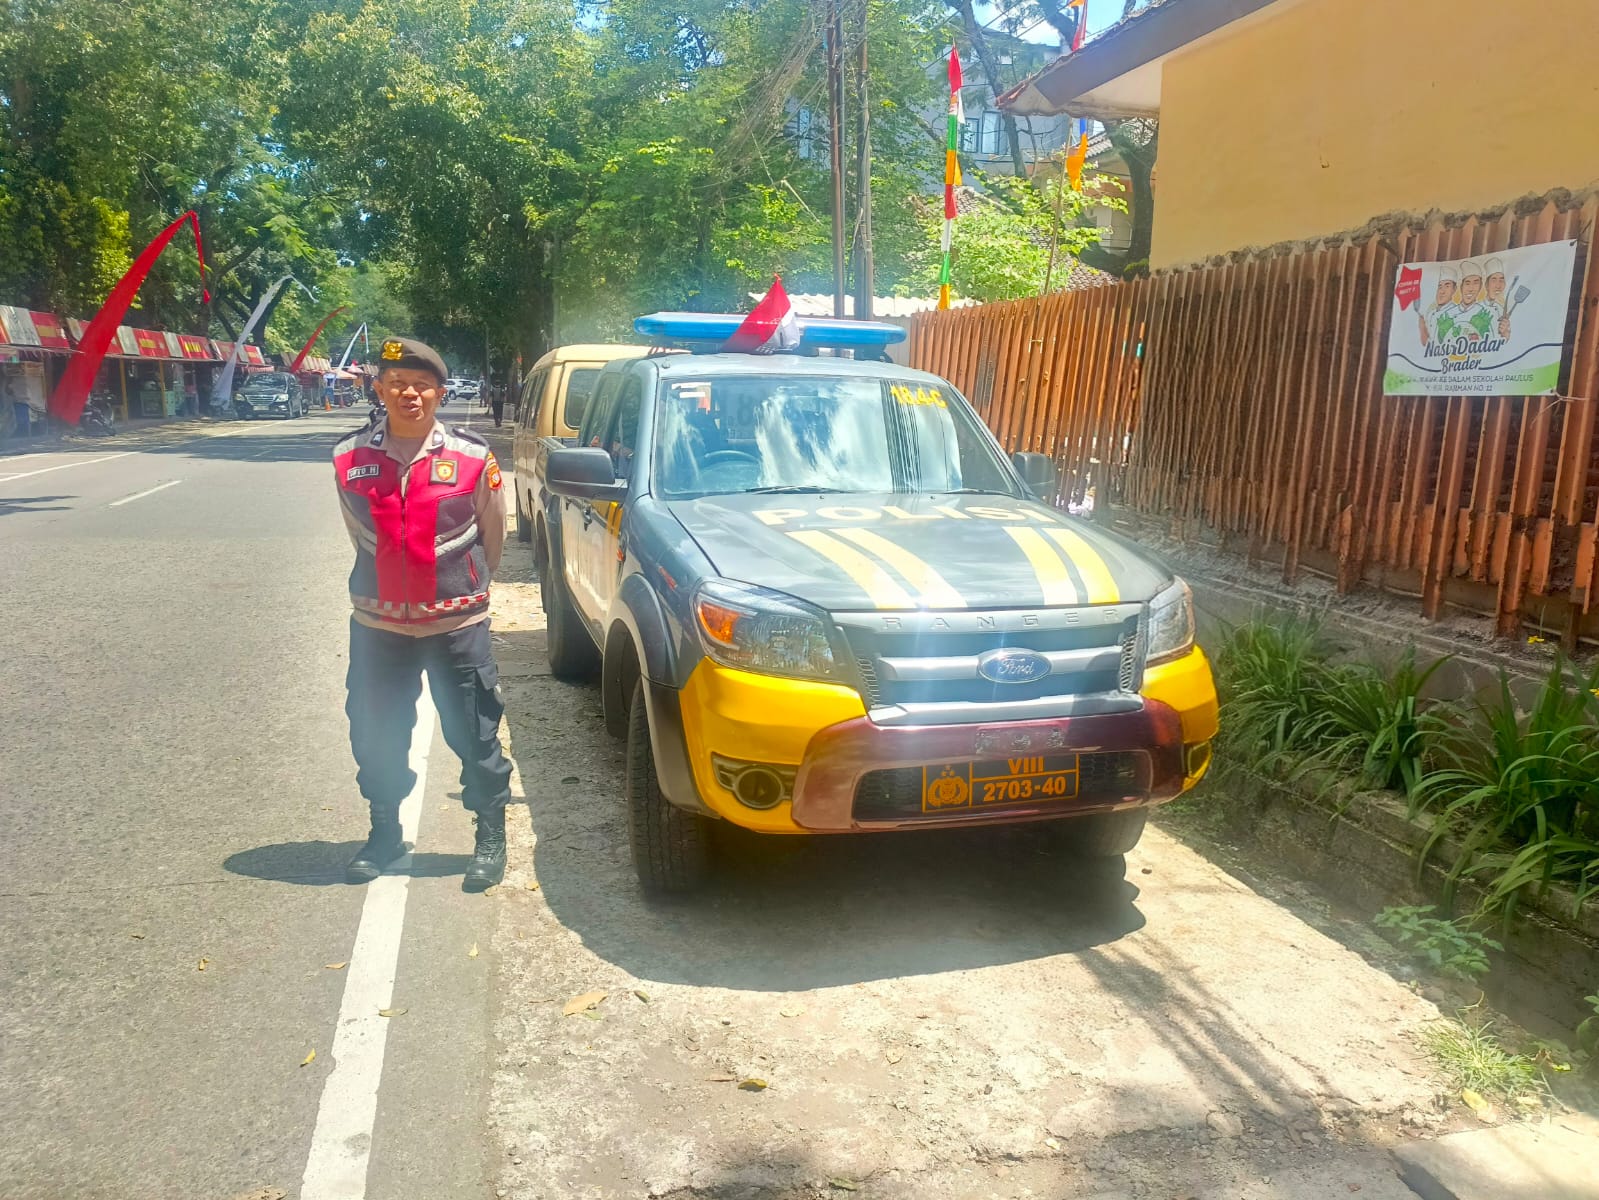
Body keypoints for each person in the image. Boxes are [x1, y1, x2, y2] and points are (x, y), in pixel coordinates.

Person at [332, 337, 513, 890]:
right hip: (378, 628)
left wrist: (463, 587)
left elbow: (493, 533)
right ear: (378, 389)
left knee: (474, 732)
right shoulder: (348, 457)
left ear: (438, 392)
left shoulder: (472, 456)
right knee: (376, 733)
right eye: (396, 383)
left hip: (456, 627)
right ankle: (385, 832)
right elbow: (359, 535)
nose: (409, 393)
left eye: (421, 385)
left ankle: (490, 834)